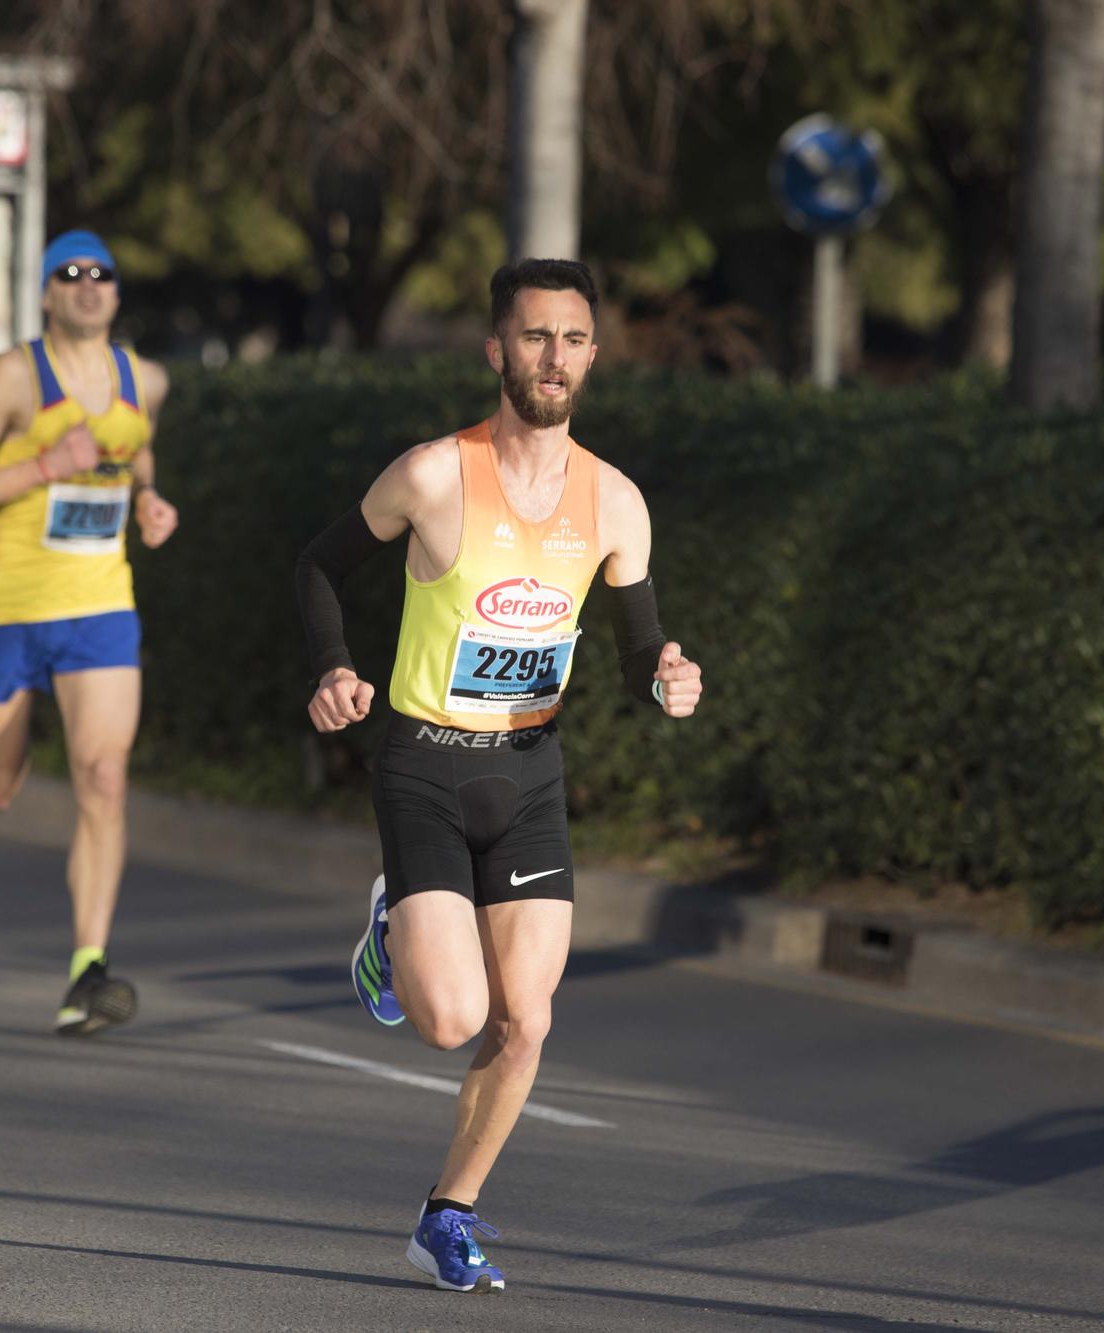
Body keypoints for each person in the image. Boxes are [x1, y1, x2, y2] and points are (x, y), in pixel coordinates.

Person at [294, 258, 703, 1292]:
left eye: (570, 339)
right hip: (425, 762)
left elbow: (635, 646)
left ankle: (449, 1210)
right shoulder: (434, 474)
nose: (551, 357)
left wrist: (665, 675)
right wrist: (333, 668)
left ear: (592, 357)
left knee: (528, 1017)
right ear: (495, 350)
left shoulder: (613, 502)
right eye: (532, 337)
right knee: (449, 1021)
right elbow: (317, 566)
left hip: (528, 770)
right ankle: (392, 924)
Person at [0, 230, 177, 1037]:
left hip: (100, 604)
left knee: (103, 776)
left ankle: (87, 971)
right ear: (45, 293)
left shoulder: (148, 380)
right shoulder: (13, 376)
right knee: (1, 786)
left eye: (102, 273)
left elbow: (137, 455)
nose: (88, 285)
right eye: (69, 274)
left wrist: (148, 503)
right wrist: (43, 466)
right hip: (3, 604)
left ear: (117, 292)